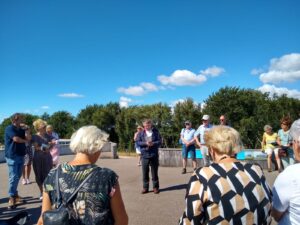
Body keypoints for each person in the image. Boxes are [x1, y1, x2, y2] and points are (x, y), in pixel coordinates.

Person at [179, 126, 272, 225]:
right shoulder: (256, 170)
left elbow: (190, 220)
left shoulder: (201, 176)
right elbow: (268, 209)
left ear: (212, 150)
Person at [37, 125, 128, 225]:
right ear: (97, 146)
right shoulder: (107, 176)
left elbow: (43, 219)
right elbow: (122, 220)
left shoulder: (53, 174)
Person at [271, 118, 300, 224]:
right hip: (283, 150)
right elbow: (278, 139)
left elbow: (276, 213)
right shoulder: (279, 132)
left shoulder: (289, 175)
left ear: (296, 145)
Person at [4, 113, 31, 209]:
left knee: (17, 176)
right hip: (12, 156)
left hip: (21, 155)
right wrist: (25, 141)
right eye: (20, 119)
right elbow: (16, 139)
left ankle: (15, 195)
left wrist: (27, 130)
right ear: (14, 120)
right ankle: (11, 197)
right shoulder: (9, 128)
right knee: (13, 177)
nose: (21, 121)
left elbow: (28, 138)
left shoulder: (22, 129)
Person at [136, 119, 161, 194]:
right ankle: (145, 188)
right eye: (146, 125)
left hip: (154, 154)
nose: (147, 126)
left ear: (151, 125)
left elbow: (160, 141)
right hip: (144, 155)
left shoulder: (156, 132)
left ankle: (155, 187)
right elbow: (138, 142)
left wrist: (153, 143)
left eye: (148, 125)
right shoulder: (140, 133)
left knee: (154, 172)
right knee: (145, 172)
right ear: (144, 125)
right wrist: (145, 143)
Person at [32, 119, 55, 200]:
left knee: (49, 175)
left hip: (47, 158)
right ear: (38, 128)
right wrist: (47, 147)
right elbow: (37, 147)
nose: (45, 127)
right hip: (38, 159)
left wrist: (52, 144)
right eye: (43, 126)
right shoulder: (34, 136)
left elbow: (53, 142)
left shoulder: (48, 136)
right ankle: (42, 192)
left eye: (45, 126)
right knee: (39, 176)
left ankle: (49, 192)